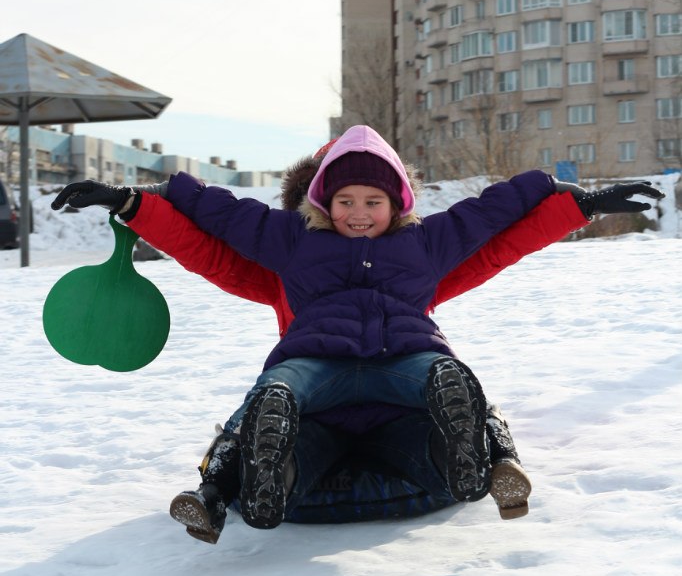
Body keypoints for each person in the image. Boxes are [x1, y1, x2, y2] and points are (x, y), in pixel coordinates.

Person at [52, 127, 664, 541]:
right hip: (314, 408)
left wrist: (578, 204)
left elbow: (495, 239)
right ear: (314, 207)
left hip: (397, 401)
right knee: (263, 406)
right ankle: (232, 486)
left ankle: (490, 458)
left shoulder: (413, 262)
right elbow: (205, 237)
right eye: (340, 201)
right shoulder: (285, 262)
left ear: (395, 205)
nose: (358, 215)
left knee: (459, 395)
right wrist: (134, 203)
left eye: (374, 201)